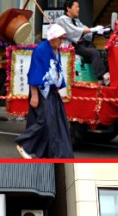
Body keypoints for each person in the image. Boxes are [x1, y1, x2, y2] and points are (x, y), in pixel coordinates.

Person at [15, 24, 74, 160]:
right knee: (44, 121)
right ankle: (25, 145)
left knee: (57, 123)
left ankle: (56, 154)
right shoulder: (41, 50)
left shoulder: (56, 50)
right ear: (53, 38)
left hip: (52, 92)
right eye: (60, 38)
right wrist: (34, 95)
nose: (61, 41)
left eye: (63, 39)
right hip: (41, 91)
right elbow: (34, 72)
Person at [57, 0, 109, 84]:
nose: (79, 9)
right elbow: (74, 31)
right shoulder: (62, 20)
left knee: (102, 52)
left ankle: (105, 73)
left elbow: (85, 29)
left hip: (82, 44)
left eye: (79, 7)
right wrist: (92, 29)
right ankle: (101, 76)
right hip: (71, 46)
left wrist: (100, 31)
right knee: (93, 53)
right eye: (76, 7)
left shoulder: (76, 21)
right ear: (68, 8)